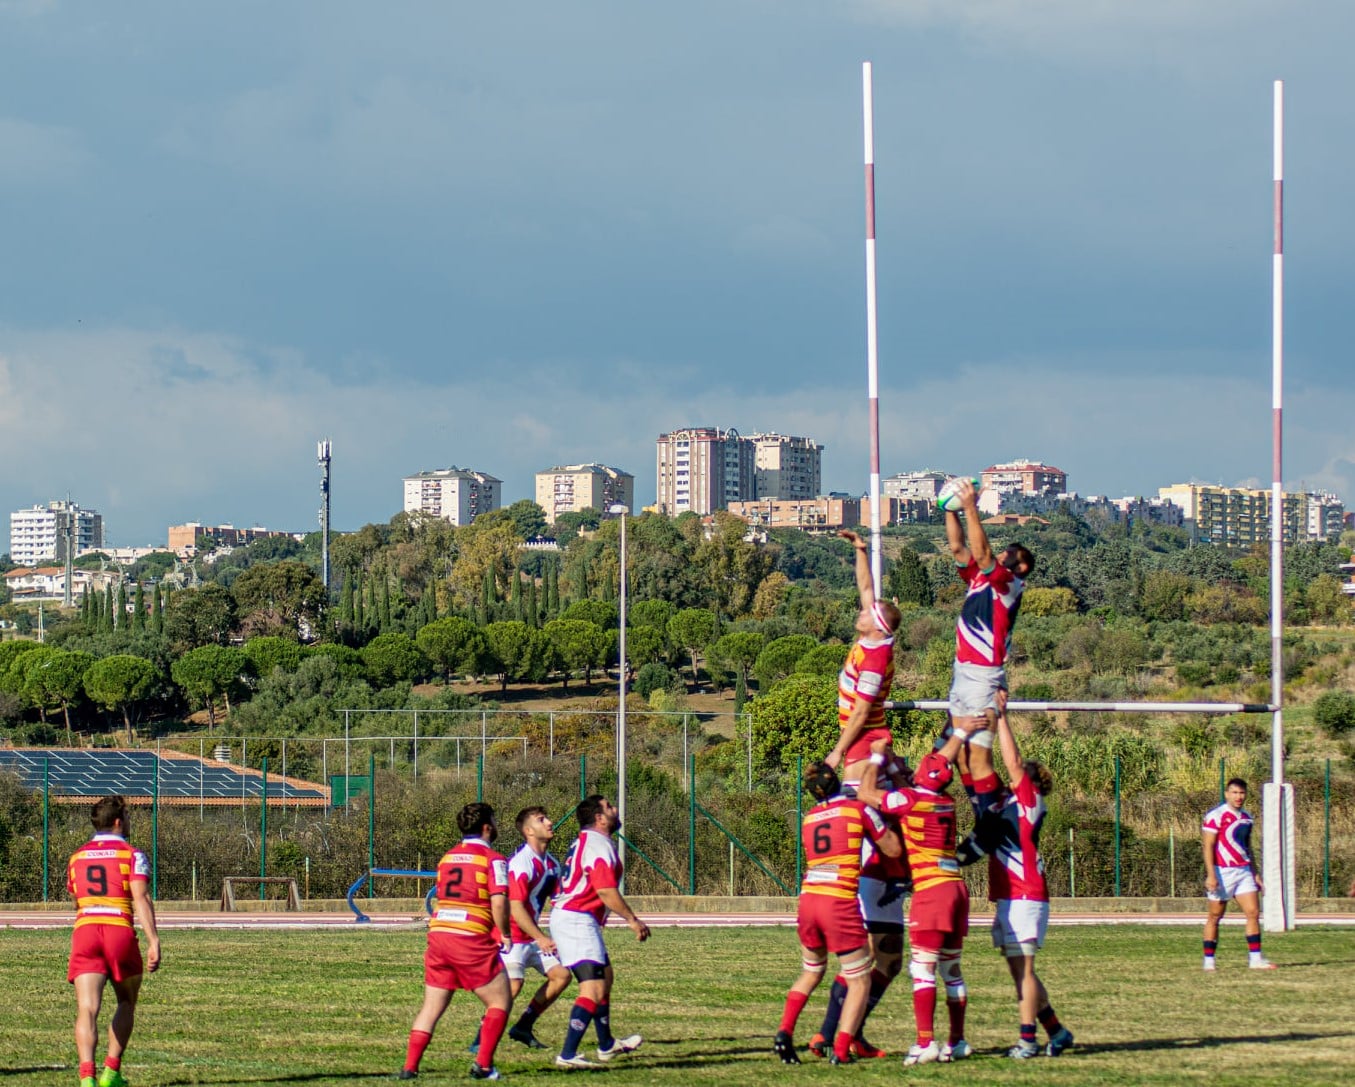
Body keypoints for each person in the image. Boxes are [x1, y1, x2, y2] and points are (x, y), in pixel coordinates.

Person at [774, 762, 902, 1066]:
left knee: (811, 971)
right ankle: (842, 1048)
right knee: (859, 979)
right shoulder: (856, 809)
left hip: (808, 899)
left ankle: (784, 1033)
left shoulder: (810, 817)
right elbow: (893, 849)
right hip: (838, 900)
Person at [856, 729, 971, 1066]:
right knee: (952, 969)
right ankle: (958, 1040)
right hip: (956, 887)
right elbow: (921, 780)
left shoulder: (912, 800)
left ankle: (925, 1042)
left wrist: (878, 757)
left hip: (931, 890)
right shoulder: (945, 801)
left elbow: (866, 792)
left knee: (922, 969)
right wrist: (959, 731)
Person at [807, 755, 912, 1061]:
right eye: (901, 762)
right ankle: (833, 1034)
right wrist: (880, 758)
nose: (906, 764)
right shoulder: (882, 790)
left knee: (882, 963)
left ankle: (845, 1033)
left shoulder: (898, 789)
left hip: (884, 880)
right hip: (878, 878)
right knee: (868, 964)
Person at [984, 707, 1074, 1059]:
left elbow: (1012, 759)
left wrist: (1002, 718)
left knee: (1025, 971)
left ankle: (1027, 1040)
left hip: (1025, 894)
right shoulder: (1009, 803)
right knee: (1019, 971)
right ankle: (1057, 1031)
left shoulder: (1030, 799)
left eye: (1021, 774)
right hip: (1010, 896)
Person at [399, 802, 513, 1082]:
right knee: (500, 1001)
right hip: (470, 936)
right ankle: (483, 1066)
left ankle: (409, 1067)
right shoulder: (494, 859)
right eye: (495, 821)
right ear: (487, 827)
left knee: (431, 1006)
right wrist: (505, 933)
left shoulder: (447, 857)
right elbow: (498, 901)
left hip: (439, 935)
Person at [942, 478, 1034, 813]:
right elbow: (958, 549)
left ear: (1021, 568)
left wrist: (969, 507)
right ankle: (984, 812)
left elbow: (981, 554)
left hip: (982, 676)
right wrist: (948, 508)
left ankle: (993, 818)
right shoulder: (982, 578)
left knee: (978, 758)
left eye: (1011, 554)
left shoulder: (1009, 583)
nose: (1004, 554)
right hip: (962, 672)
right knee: (963, 761)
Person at [67, 795, 161, 1087]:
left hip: (85, 930)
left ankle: (87, 1079)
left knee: (87, 1008)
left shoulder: (77, 857)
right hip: (118, 929)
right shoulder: (133, 855)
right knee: (126, 1001)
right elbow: (140, 897)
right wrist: (153, 940)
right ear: (119, 821)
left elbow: (76, 899)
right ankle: (112, 1071)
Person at [549, 795, 649, 1070]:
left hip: (576, 918)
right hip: (576, 919)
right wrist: (632, 919)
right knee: (592, 989)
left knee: (605, 977)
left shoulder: (586, 840)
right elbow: (605, 890)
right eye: (609, 807)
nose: (615, 810)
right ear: (600, 818)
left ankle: (606, 1045)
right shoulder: (597, 844)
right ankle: (568, 1054)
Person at [825, 529, 902, 788]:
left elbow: (861, 711)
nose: (861, 613)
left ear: (878, 628)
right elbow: (866, 586)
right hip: (861, 736)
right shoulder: (873, 640)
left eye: (869, 614)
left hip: (865, 737)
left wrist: (837, 752)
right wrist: (859, 549)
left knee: (858, 809)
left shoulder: (874, 661)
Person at [1202, 779, 1273, 971]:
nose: (1238, 797)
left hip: (1243, 871)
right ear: (1226, 794)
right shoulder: (1216, 816)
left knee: (1253, 912)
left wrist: (1255, 873)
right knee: (1215, 916)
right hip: (1222, 871)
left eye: (1241, 793)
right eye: (1234, 793)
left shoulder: (1247, 817)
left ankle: (1255, 959)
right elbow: (1208, 845)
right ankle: (1209, 960)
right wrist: (1211, 874)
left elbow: (1247, 846)